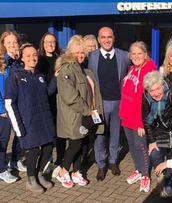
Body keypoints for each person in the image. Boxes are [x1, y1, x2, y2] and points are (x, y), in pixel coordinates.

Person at [4, 43, 56, 193]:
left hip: (44, 121)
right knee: (33, 152)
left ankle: (39, 175)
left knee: (47, 150)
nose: (33, 58)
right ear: (21, 58)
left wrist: (56, 79)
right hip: (29, 124)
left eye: (34, 55)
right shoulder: (14, 78)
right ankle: (31, 180)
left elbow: (46, 93)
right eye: (28, 55)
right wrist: (18, 128)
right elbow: (9, 104)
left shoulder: (39, 76)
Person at [55, 35, 104, 188]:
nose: (80, 55)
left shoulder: (83, 70)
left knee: (82, 143)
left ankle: (76, 172)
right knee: (75, 143)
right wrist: (87, 110)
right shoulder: (67, 69)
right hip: (74, 115)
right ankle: (63, 171)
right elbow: (71, 96)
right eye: (77, 53)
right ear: (70, 52)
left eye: (82, 52)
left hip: (84, 115)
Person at [88, 26, 130, 181]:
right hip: (100, 103)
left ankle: (112, 161)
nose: (106, 40)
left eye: (109, 37)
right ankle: (101, 164)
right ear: (99, 39)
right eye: (103, 37)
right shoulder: (91, 57)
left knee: (115, 135)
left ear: (114, 38)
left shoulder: (124, 56)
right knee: (99, 135)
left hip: (118, 102)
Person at [0, 31, 26, 184]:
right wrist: (1, 108)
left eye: (15, 42)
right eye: (8, 43)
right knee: (3, 137)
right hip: (3, 108)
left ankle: (15, 160)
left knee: (20, 134)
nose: (12, 45)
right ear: (3, 44)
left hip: (18, 106)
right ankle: (2, 170)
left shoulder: (20, 61)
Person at [119, 41, 155, 192]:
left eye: (139, 53)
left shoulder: (149, 70)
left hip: (139, 119)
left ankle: (146, 175)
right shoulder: (132, 70)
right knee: (132, 147)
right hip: (127, 117)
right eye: (133, 53)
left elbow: (147, 101)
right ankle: (139, 170)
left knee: (141, 147)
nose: (136, 56)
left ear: (145, 55)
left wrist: (142, 122)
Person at [142, 71, 172, 193]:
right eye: (151, 91)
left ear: (162, 85)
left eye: (157, 89)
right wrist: (151, 141)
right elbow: (146, 121)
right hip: (159, 130)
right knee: (154, 153)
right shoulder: (146, 97)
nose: (155, 94)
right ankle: (162, 177)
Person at [36, 32, 65, 172]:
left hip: (60, 102)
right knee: (49, 135)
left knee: (60, 134)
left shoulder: (60, 59)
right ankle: (47, 162)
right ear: (43, 43)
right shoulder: (39, 61)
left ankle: (60, 161)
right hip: (46, 102)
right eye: (47, 42)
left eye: (53, 41)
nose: (50, 44)